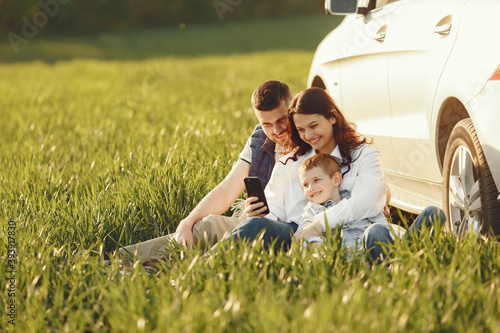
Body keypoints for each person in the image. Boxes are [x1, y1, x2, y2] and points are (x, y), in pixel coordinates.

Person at [119, 80, 293, 263]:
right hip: (255, 220)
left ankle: (193, 270)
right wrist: (187, 221)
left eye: (281, 120)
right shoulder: (260, 139)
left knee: (249, 228)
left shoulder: (308, 137)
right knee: (204, 227)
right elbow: (226, 190)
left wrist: (267, 215)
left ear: (292, 109)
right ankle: (118, 262)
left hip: (283, 227)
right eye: (266, 124)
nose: (276, 130)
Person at [225, 87, 387, 251]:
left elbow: (370, 199)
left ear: (332, 117)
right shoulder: (288, 164)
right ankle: (203, 268)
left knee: (378, 233)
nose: (308, 135)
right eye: (301, 130)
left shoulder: (363, 155)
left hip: (358, 234)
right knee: (256, 225)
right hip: (301, 236)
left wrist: (319, 224)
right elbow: (272, 214)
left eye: (313, 125)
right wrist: (257, 215)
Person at [297, 153, 389, 251]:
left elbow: (380, 224)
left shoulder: (355, 200)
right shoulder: (312, 211)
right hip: (341, 256)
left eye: (316, 180)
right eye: (305, 185)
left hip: (368, 250)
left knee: (376, 230)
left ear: (336, 180)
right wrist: (317, 245)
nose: (310, 188)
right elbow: (303, 234)